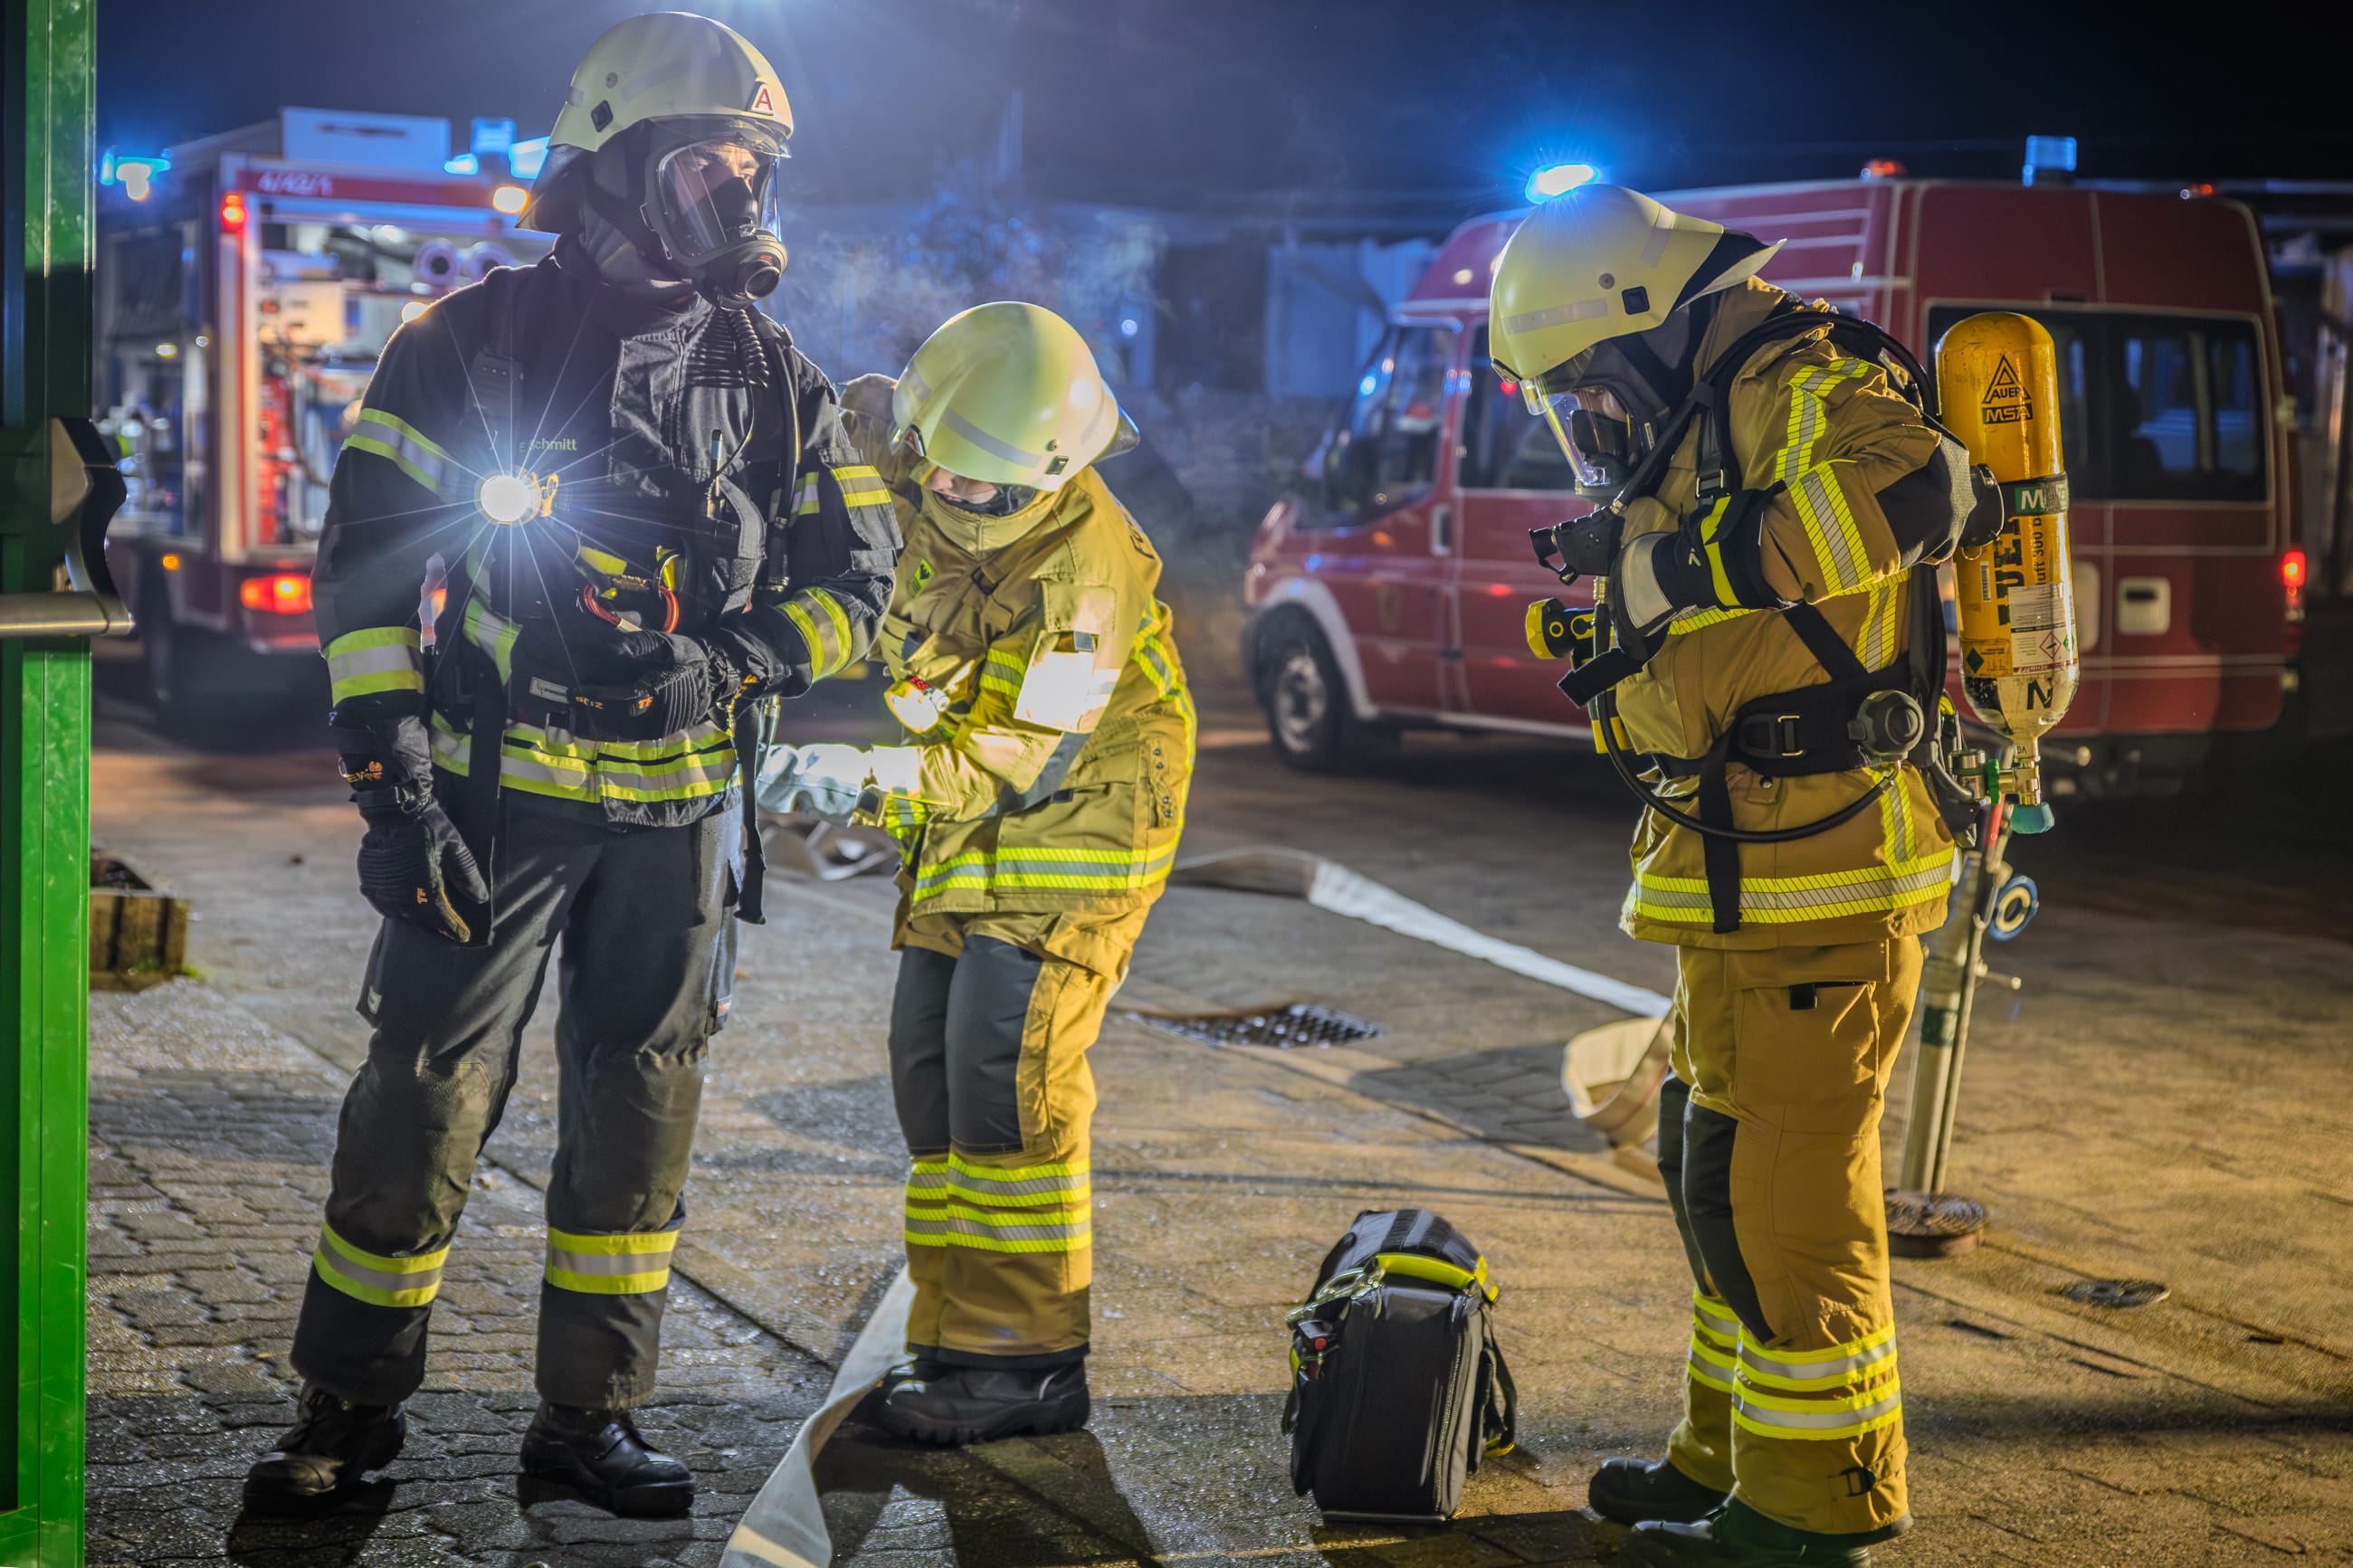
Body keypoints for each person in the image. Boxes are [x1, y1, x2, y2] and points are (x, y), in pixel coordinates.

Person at [243, 12, 898, 1517]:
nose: (736, 189)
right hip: (491, 805)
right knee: (419, 1098)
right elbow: (365, 578)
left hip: (679, 819)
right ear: (607, 164)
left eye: (753, 166)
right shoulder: (462, 347)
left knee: (639, 1111)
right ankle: (348, 1407)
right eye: (704, 160)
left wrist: (729, 660)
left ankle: (590, 1421)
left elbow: (857, 586)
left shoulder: (780, 378)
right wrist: (393, 785)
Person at [1489, 185, 1983, 1566]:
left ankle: (1819, 1503)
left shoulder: (1799, 379)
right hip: (1743, 870)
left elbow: (1926, 489)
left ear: (1649, 327)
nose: (1589, 417)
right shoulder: (1700, 409)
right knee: (1714, 1172)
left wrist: (1687, 566)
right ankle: (1728, 1457)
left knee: (1781, 1194)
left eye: (1591, 382)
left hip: (1826, 873)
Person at [758, 301, 1195, 1444]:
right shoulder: (918, 443)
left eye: (984, 489)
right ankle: (951, 1337)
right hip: (963, 820)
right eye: (939, 467)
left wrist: (822, 778)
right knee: (929, 1072)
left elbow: (1006, 761)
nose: (950, 493)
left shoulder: (1082, 581)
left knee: (1006, 1082)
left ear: (1048, 472)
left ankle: (1026, 1364)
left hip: (1075, 821)